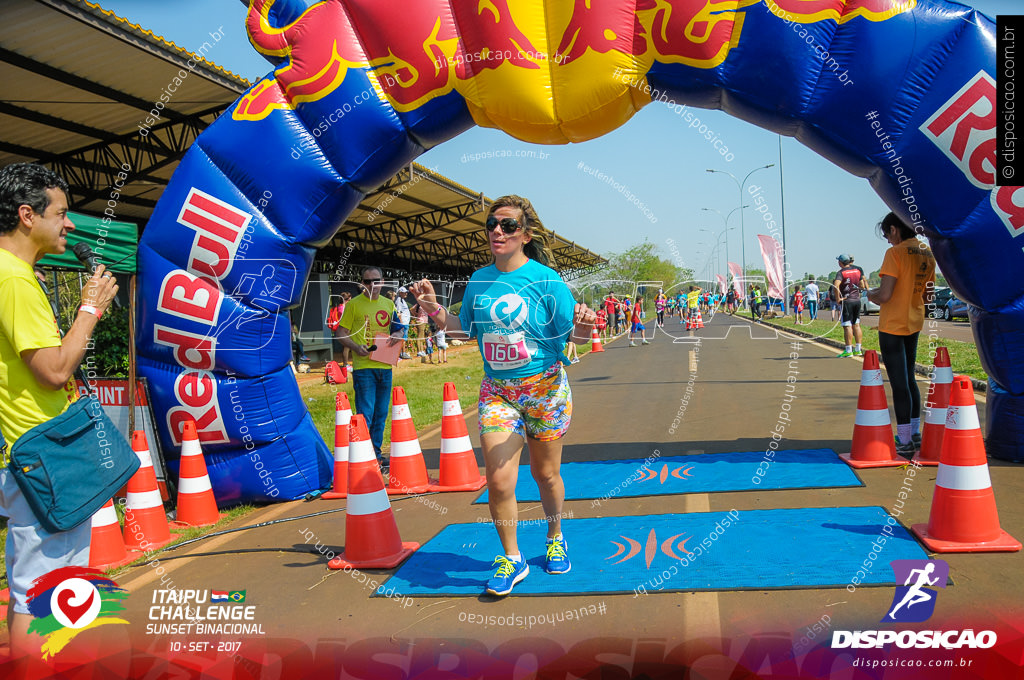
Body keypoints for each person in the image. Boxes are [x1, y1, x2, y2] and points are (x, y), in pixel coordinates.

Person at [409, 195, 596, 597]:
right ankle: (512, 558)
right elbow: (462, 332)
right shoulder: (478, 280)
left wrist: (585, 326)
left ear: (525, 235)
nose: (497, 230)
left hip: (545, 390)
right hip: (499, 394)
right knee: (497, 479)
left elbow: (572, 339)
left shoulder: (547, 281)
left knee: (545, 475)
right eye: (492, 224)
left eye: (508, 225)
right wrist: (433, 308)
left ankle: (555, 535)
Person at [0, 163, 119, 658]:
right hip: (39, 459)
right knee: (39, 587)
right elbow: (54, 370)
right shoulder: (14, 281)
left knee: (52, 582)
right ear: (28, 216)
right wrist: (89, 310)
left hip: (40, 455)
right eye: (62, 214)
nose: (70, 225)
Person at [867, 212, 935, 456]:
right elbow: (928, 296)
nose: (887, 240)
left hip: (893, 325)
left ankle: (904, 439)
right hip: (914, 322)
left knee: (898, 383)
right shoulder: (927, 253)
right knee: (910, 378)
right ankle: (915, 434)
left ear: (895, 229)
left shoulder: (894, 254)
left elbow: (884, 296)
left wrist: (870, 294)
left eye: (887, 234)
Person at [336, 266, 404, 467]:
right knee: (365, 413)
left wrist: (398, 336)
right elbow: (340, 333)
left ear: (382, 282)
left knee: (381, 414)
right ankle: (364, 457)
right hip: (363, 368)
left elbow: (398, 329)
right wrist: (356, 347)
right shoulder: (353, 305)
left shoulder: (388, 303)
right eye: (367, 281)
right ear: (362, 284)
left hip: (385, 366)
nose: (372, 285)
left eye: (376, 280)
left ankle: (375, 455)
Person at [833, 254, 868, 357]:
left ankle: (848, 350)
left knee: (847, 326)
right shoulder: (857, 270)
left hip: (847, 301)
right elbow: (861, 285)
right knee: (856, 324)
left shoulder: (841, 273)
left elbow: (835, 286)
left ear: (840, 263)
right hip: (857, 300)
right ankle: (858, 349)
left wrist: (838, 298)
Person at [394, 286, 413, 359]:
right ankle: (403, 353)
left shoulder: (402, 300)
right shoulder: (399, 300)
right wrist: (401, 323)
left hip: (405, 322)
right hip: (403, 322)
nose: (406, 294)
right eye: (404, 292)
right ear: (400, 293)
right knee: (403, 339)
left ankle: (402, 353)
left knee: (403, 338)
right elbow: (399, 312)